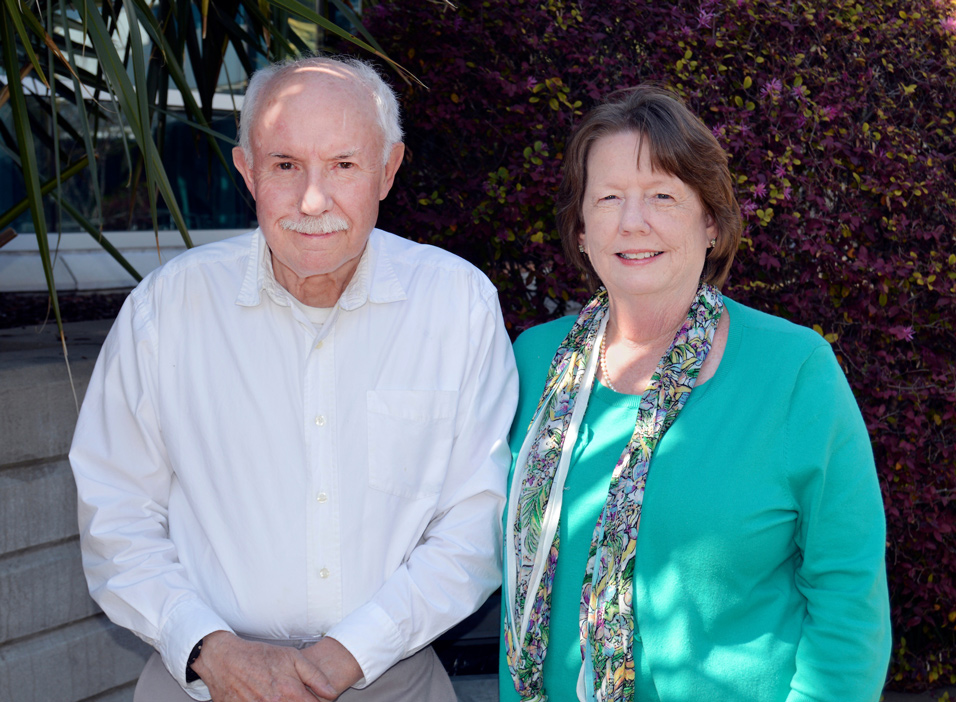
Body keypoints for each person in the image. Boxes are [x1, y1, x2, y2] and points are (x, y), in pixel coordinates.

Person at [70, 54, 518, 702]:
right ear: (247, 172)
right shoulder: (166, 311)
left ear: (387, 171)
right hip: (205, 686)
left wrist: (350, 653)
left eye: (343, 165)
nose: (313, 200)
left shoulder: (458, 307)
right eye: (285, 166)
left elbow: (479, 521)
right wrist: (209, 650)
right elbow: (114, 511)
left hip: (390, 683)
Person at [500, 85, 891, 702]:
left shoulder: (794, 371)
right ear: (580, 229)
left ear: (710, 221)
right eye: (608, 198)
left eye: (662, 195)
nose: (634, 222)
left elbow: (848, 598)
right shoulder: (532, 363)